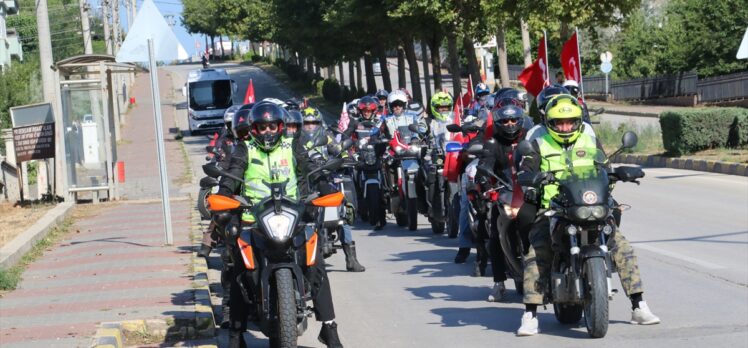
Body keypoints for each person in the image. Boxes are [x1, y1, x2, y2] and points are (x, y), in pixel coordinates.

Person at [515, 95, 660, 336]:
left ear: (578, 121)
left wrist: (619, 174)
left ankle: (639, 305)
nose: (565, 127)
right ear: (549, 122)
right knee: (537, 252)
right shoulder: (538, 143)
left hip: (589, 204)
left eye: (570, 122)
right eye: (559, 122)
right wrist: (532, 178)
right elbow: (526, 168)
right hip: (554, 207)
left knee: (622, 247)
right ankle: (530, 314)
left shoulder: (590, 139)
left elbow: (604, 167)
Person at [217, 102, 345, 347]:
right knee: (240, 271)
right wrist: (225, 193)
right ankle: (236, 334)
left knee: (316, 263)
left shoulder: (292, 145)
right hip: (253, 220)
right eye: (262, 127)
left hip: (292, 216)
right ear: (254, 129)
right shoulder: (246, 148)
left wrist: (324, 185)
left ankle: (329, 327)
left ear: (280, 126)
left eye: (271, 126)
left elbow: (309, 168)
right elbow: (233, 173)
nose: (267, 131)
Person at [476, 104, 535, 302]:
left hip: (530, 193)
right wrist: (484, 181)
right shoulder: (493, 142)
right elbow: (485, 164)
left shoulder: (530, 138)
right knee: (495, 234)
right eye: (505, 121)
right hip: (505, 193)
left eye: (513, 120)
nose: (510, 125)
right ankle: (499, 283)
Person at [299, 107, 366, 272]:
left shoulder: (326, 136)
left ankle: (351, 258)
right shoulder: (296, 139)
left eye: (313, 123)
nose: (310, 126)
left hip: (326, 175)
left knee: (342, 212)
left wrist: (345, 158)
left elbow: (337, 149)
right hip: (307, 179)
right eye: (307, 123)